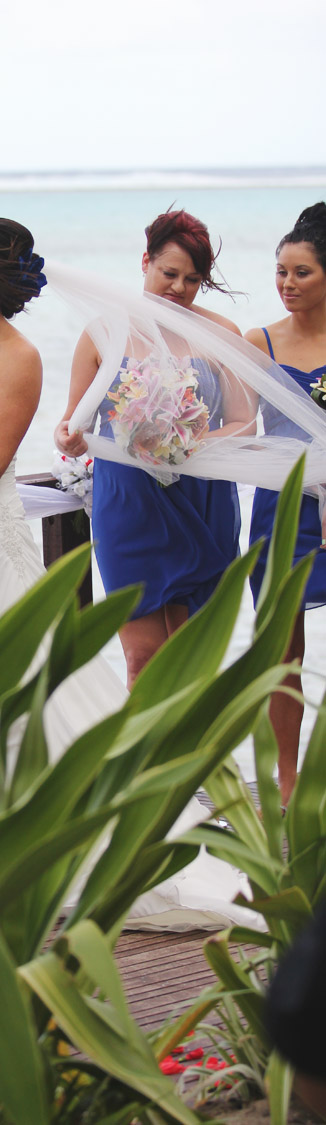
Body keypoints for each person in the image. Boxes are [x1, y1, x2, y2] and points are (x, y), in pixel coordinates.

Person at [0, 217, 256, 931]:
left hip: (14, 533)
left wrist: (179, 440)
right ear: (144, 264)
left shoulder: (19, 355)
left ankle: (71, 839)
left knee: (35, 686)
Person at [54, 210, 254, 687]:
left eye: (192, 279)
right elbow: (70, 423)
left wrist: (185, 443)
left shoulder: (223, 333)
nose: (178, 288)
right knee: (142, 660)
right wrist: (69, 436)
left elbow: (244, 425)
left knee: (193, 659)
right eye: (168, 274)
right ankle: (146, 760)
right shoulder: (103, 332)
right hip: (128, 504)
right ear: (145, 261)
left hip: (201, 499)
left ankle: (201, 757)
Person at [246, 203, 326, 807]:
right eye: (281, 272)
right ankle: (288, 780)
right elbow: (238, 425)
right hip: (280, 509)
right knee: (281, 649)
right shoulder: (260, 341)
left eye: (301, 272)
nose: (287, 284)